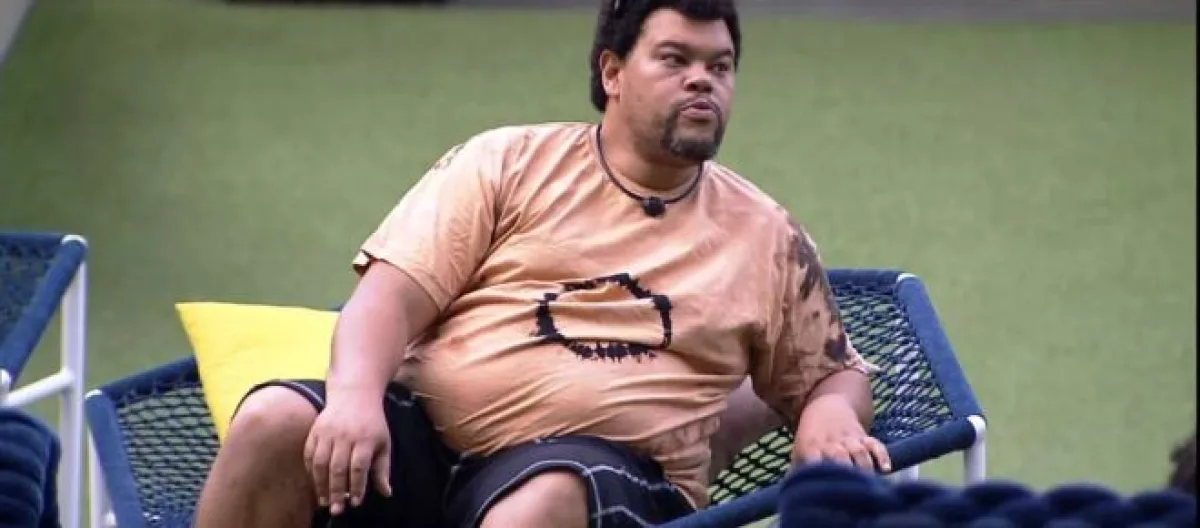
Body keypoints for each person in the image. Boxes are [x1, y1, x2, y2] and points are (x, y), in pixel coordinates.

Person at [192, 0, 890, 526]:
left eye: (720, 66)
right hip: (429, 448)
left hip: (604, 481)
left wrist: (828, 414)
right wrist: (352, 396)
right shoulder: (508, 163)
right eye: (675, 60)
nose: (702, 82)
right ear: (612, 73)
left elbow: (833, 372)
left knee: (542, 500)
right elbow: (388, 299)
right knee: (275, 422)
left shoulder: (765, 236)